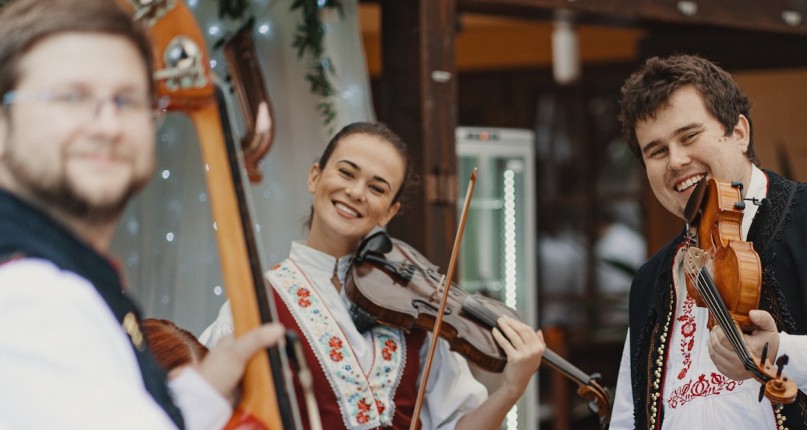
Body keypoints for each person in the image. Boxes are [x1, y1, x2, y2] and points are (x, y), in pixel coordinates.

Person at [0, 0, 284, 429]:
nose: (108, 125)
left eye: (128, 100)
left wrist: (198, 396)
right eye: (71, 97)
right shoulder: (31, 298)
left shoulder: (70, 277)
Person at [609, 54, 807, 430]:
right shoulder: (651, 280)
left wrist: (784, 352)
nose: (676, 160)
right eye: (656, 151)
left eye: (689, 136)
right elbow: (628, 416)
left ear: (739, 132)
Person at [201, 121, 546, 429]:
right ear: (315, 177)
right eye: (346, 173)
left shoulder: (414, 311)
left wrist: (512, 389)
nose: (355, 192)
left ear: (389, 212)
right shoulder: (256, 303)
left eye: (377, 188)